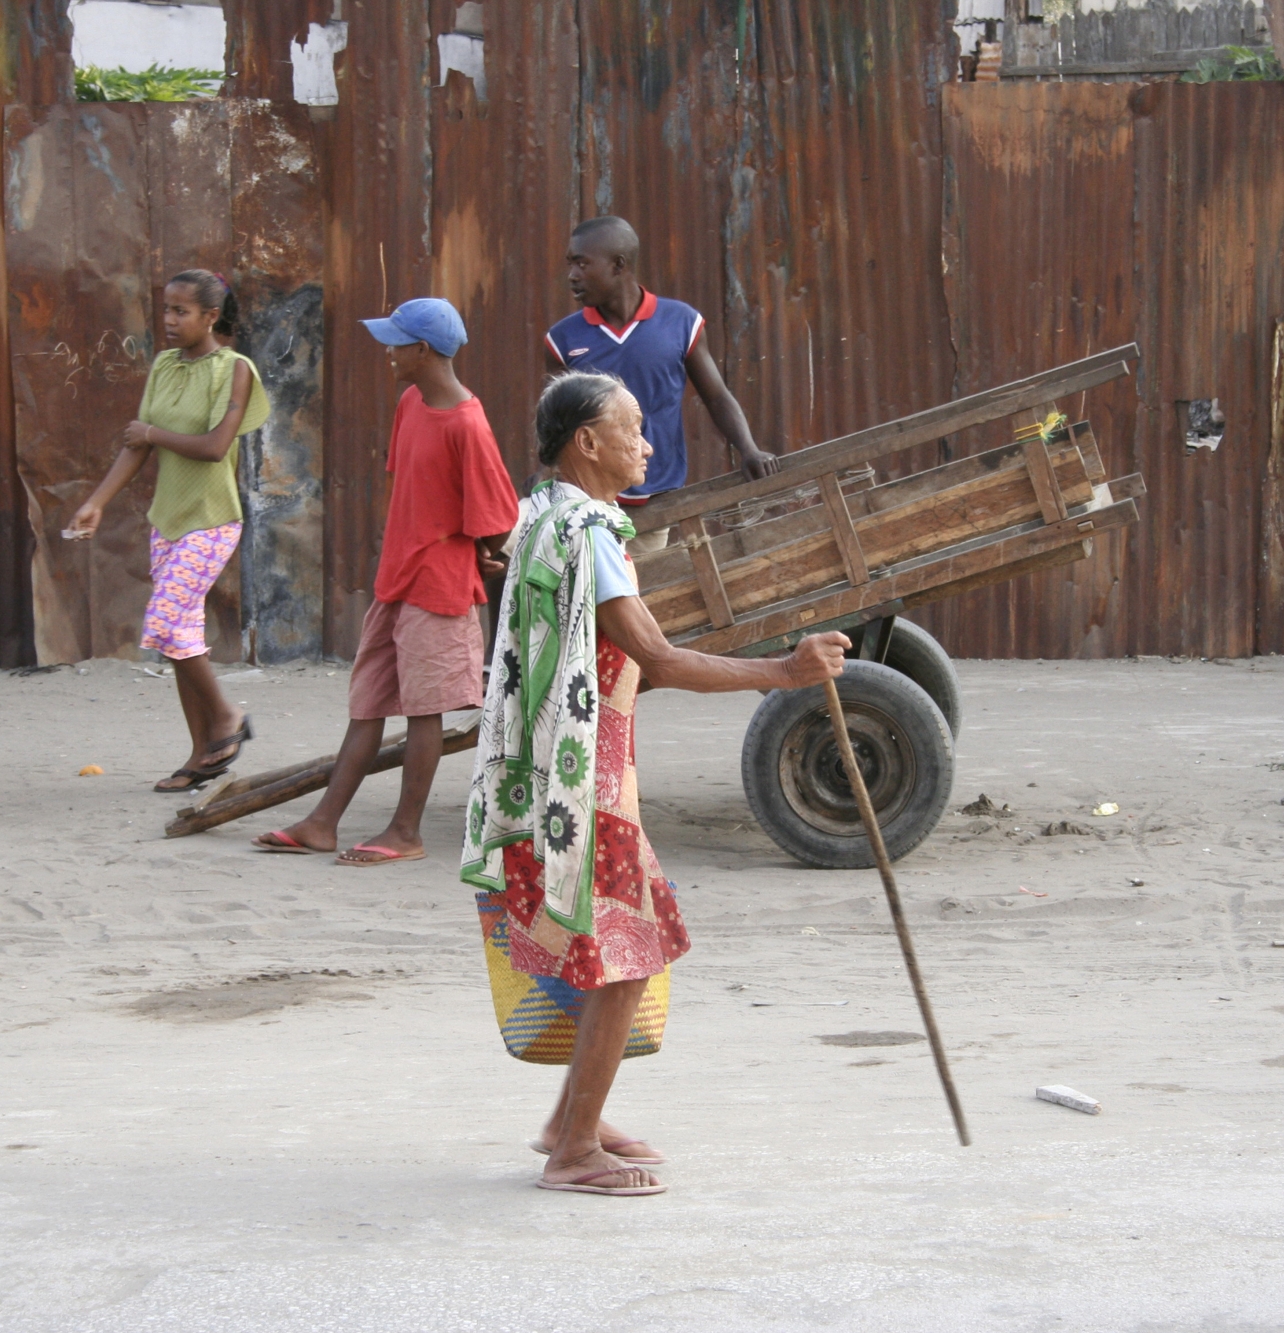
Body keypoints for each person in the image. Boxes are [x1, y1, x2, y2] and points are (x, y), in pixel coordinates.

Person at [462, 371, 847, 1196]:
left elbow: (621, 664)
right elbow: (660, 657)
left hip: (549, 772)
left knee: (605, 946)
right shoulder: (593, 531)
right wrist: (782, 670)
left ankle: (574, 1120)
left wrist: (756, 672)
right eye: (631, 429)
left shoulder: (541, 517)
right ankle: (572, 1152)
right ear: (586, 444)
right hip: (582, 783)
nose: (647, 443)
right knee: (624, 954)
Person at [254, 298, 519, 865]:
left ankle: (406, 832)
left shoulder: (467, 423)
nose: (387, 352)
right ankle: (322, 822)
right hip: (398, 578)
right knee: (368, 704)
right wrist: (479, 549)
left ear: (422, 352)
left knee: (425, 711)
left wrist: (482, 555)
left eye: (396, 343)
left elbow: (496, 516)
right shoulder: (410, 403)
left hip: (439, 587)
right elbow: (424, 492)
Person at [68, 269, 270, 793]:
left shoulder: (235, 370)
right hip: (168, 519)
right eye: (166, 310)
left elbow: (213, 447)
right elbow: (137, 447)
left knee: (165, 623)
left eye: (182, 311)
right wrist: (96, 503)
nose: (170, 320)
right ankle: (201, 755)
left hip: (212, 519)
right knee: (181, 639)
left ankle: (226, 716)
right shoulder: (163, 365)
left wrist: (153, 432)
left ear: (211, 316)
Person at [543, 216, 777, 552]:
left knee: (638, 593)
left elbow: (716, 397)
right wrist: (545, 470)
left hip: (652, 495)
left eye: (582, 263)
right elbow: (553, 422)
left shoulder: (680, 323)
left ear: (618, 265)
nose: (572, 275)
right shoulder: (562, 339)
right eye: (570, 264)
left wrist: (749, 448)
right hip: (586, 499)